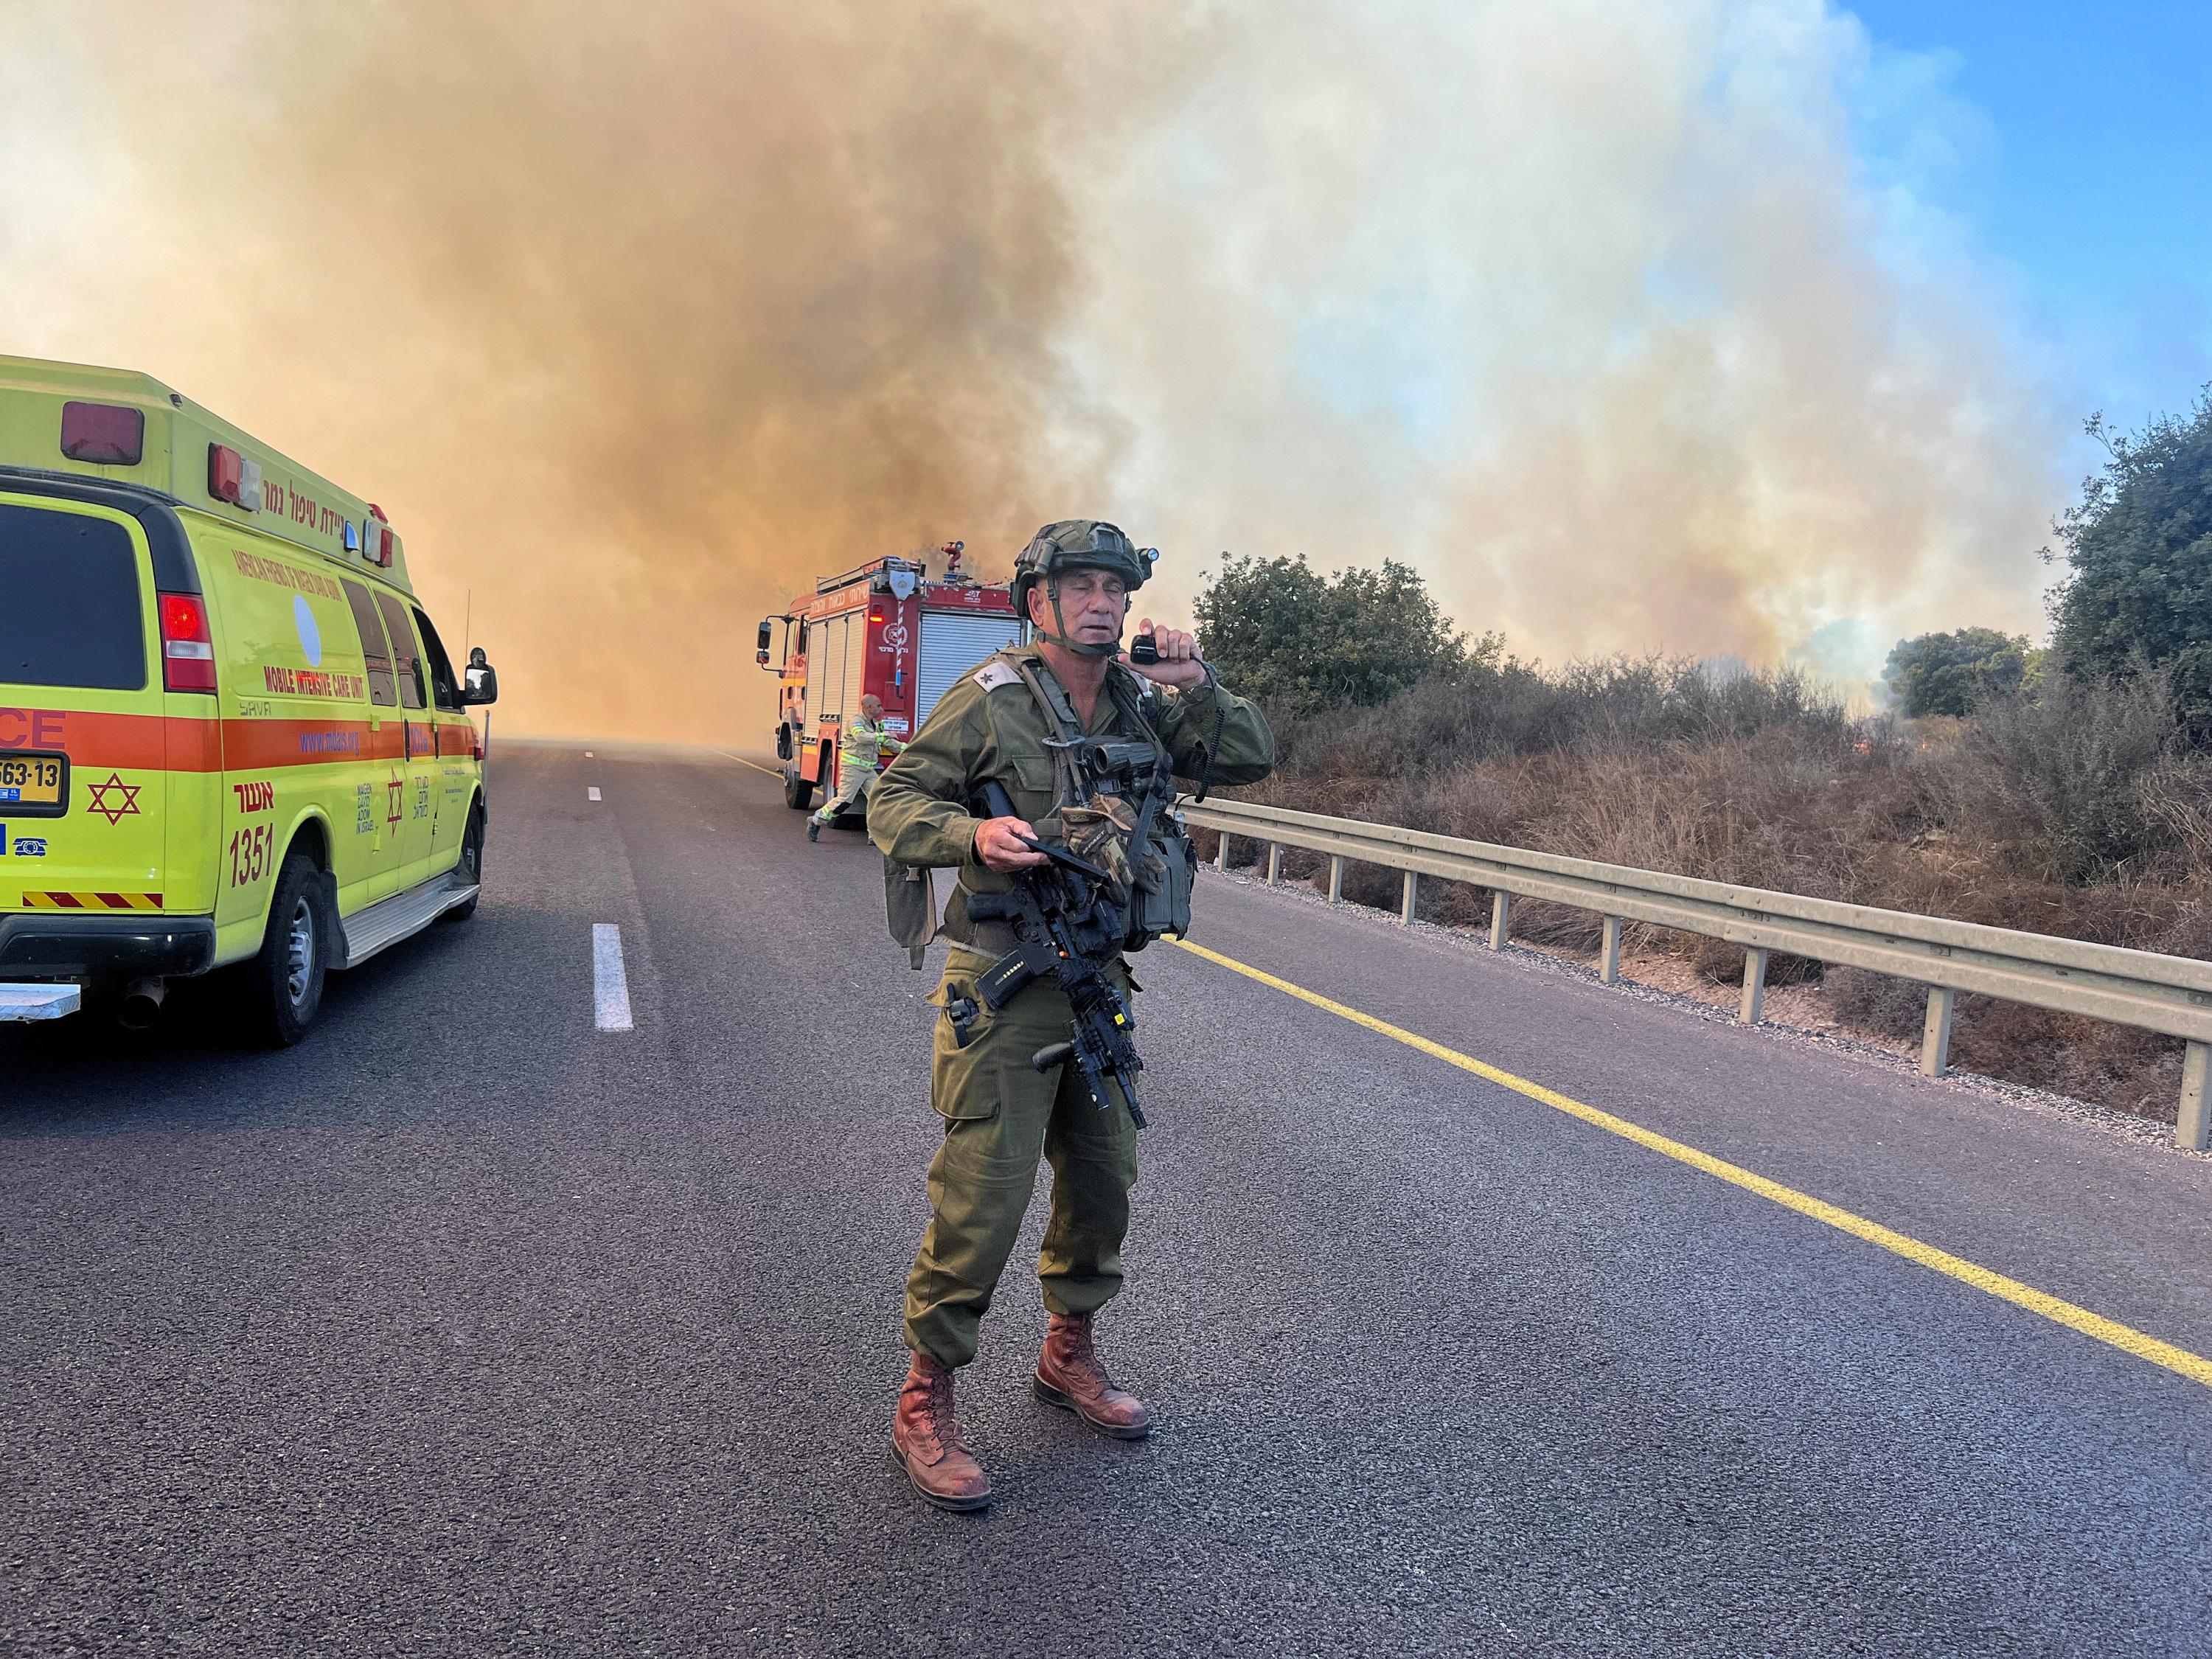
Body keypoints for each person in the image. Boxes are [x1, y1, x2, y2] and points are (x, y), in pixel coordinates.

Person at [866, 519, 1276, 1511]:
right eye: (1080, 584)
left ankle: (1069, 1354)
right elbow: (893, 797)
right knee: (983, 1199)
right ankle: (927, 1394)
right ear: (1038, 600)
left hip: (1096, 982)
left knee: (1103, 1183)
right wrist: (973, 830)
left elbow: (1252, 756)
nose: (1101, 601)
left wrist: (1200, 680)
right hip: (1002, 988)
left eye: (1115, 587)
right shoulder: (993, 702)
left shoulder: (1142, 703)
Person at [808, 693, 905, 841]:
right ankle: (816, 820)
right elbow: (860, 737)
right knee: (844, 801)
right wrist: (881, 736)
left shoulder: (877, 724)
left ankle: (874, 836)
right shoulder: (856, 722)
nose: (882, 709)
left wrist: (908, 748)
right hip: (853, 769)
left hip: (868, 770)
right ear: (869, 707)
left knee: (877, 799)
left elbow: (889, 743)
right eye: (879, 706)